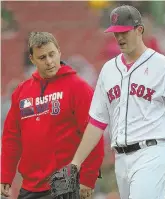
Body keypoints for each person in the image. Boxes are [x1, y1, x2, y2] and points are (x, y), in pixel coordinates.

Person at [71, 5, 165, 199]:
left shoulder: (164, 66)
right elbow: (97, 123)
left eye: (125, 32)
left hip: (153, 153)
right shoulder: (108, 70)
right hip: (121, 158)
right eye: (116, 33)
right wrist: (75, 163)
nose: (120, 38)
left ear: (139, 30)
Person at [1, 32, 104, 199]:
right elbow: (11, 137)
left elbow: (93, 134)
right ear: (32, 59)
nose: (49, 62)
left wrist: (89, 177)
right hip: (30, 186)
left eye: (52, 54)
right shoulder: (21, 92)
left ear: (59, 52)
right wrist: (6, 175)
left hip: (66, 184)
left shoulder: (78, 88)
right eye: (42, 57)